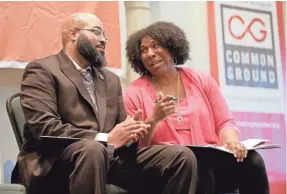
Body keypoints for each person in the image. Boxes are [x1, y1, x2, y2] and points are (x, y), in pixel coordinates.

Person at [11, 14, 198, 194]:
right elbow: (45, 129)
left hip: (107, 158)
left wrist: (132, 131)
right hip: (55, 162)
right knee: (92, 150)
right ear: (74, 34)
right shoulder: (42, 70)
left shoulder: (110, 79)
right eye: (97, 32)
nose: (104, 39)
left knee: (181, 157)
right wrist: (105, 138)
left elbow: (120, 132)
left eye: (105, 35)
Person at [123, 21, 270, 194]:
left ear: (172, 46)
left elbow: (224, 122)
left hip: (211, 158)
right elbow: (135, 143)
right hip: (169, 167)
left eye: (155, 46)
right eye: (143, 50)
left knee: (253, 160)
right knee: (197, 164)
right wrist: (155, 118)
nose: (150, 54)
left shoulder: (201, 80)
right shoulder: (134, 92)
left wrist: (231, 141)